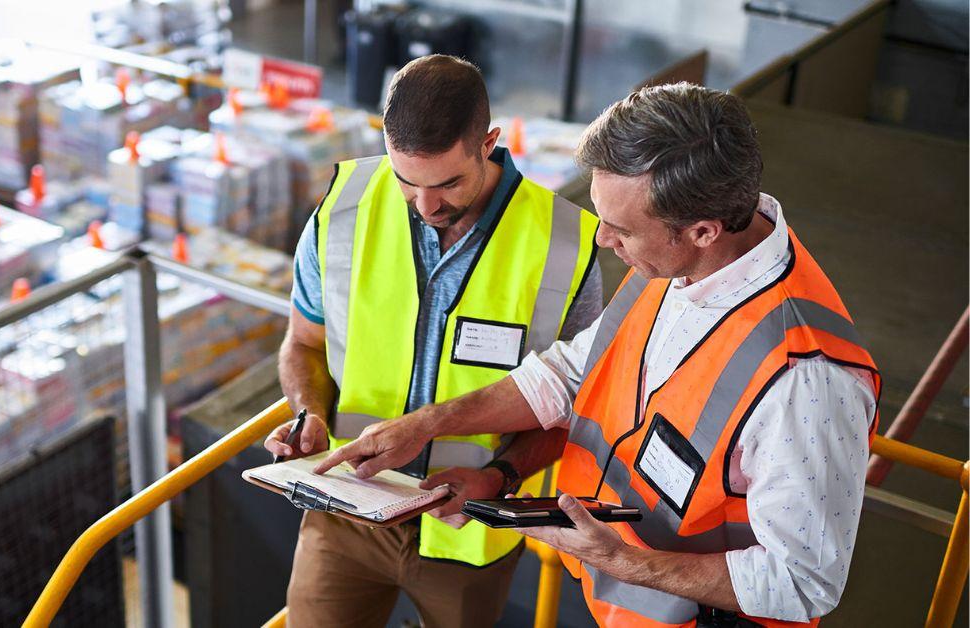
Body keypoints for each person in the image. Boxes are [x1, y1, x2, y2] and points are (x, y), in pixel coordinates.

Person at [316, 82, 881, 627]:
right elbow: (570, 373)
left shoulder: (807, 380)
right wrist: (428, 424)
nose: (603, 241)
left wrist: (623, 561)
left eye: (621, 229)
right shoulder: (677, 263)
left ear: (704, 230)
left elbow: (805, 581)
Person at [264, 54, 602, 627]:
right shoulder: (342, 210)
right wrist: (309, 415)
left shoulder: (566, 245)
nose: (425, 206)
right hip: (344, 506)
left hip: (468, 533)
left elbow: (576, 408)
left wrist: (499, 478)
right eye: (406, 181)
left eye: (448, 183)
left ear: (488, 143)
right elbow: (303, 345)